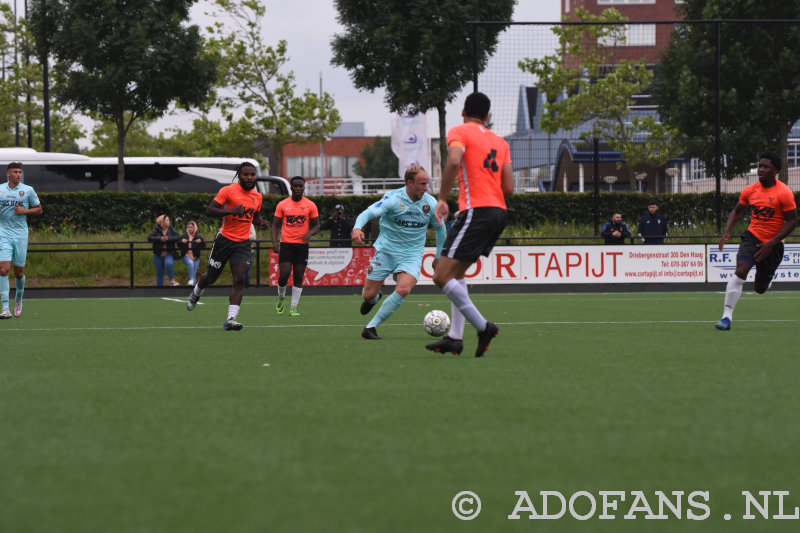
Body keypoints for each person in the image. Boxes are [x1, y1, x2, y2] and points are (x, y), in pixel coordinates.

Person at [426, 92, 514, 357]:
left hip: (477, 211)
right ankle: (455, 339)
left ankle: (483, 326)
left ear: (463, 110)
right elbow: (508, 187)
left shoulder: (459, 131)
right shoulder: (500, 142)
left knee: (441, 276)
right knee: (457, 274)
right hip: (498, 212)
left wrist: (442, 198)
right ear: (487, 117)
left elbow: (453, 160)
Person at [352, 164, 446, 339]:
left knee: (403, 289)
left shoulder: (431, 203)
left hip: (412, 254)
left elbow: (441, 229)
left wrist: (438, 256)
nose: (426, 188)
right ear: (409, 183)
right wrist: (357, 228)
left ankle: (370, 327)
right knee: (368, 295)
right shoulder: (393, 199)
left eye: (427, 183)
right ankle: (374, 298)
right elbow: (368, 213)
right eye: (422, 184)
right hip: (386, 252)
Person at [715, 150, 797, 331]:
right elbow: (737, 211)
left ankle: (766, 281)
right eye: (759, 166)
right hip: (752, 237)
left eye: (765, 167)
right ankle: (726, 317)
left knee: (760, 289)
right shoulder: (750, 190)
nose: (760, 169)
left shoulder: (784, 193)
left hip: (773, 245)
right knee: (741, 270)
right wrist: (727, 232)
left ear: (775, 170)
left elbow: (792, 221)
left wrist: (772, 242)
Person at [186, 162, 269, 330]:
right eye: (246, 174)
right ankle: (196, 293)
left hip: (243, 244)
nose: (249, 177)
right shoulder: (227, 191)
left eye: (252, 174)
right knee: (210, 278)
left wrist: (261, 223)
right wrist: (230, 211)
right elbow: (210, 210)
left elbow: (254, 216)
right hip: (224, 241)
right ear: (239, 175)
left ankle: (231, 318)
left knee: (239, 279)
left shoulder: (257, 196)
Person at [271, 176, 320, 316]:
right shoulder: (282, 204)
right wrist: (274, 241)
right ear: (291, 188)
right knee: (284, 274)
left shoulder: (310, 205)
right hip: (286, 244)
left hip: (302, 246)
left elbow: (317, 224)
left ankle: (293, 307)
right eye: (295, 186)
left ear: (304, 188)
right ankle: (281, 298)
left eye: (300, 186)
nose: (298, 188)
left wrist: (310, 233)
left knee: (298, 275)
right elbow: (275, 225)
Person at [0, 162, 42, 318]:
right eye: (15, 172)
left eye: (20, 172)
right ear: (8, 174)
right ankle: (5, 308)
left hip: (20, 234)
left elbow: (39, 209)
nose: (19, 174)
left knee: (19, 273)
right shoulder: (1, 190)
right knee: (3, 270)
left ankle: (18, 298)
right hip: (3, 233)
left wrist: (25, 210)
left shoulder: (28, 190)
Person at [148, 214, 181, 287]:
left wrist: (168, 238)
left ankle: (172, 280)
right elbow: (150, 237)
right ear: (162, 222)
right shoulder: (156, 229)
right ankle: (160, 290)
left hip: (168, 253)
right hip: (157, 255)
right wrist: (160, 238)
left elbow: (177, 237)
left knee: (169, 264)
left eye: (169, 220)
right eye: (167, 220)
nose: (169, 222)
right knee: (159, 273)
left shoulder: (172, 229)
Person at [178, 220, 205, 286]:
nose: (190, 228)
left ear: (194, 228)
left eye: (191, 227)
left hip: (196, 257)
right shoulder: (183, 236)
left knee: (193, 273)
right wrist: (181, 241)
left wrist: (200, 242)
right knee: (190, 264)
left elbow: (204, 246)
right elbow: (178, 244)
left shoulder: (199, 236)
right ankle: (191, 280)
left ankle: (193, 290)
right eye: (188, 227)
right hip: (186, 256)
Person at [244, 223, 257, 288]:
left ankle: (247, 287)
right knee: (238, 271)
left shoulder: (250, 224)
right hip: (237, 251)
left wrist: (241, 237)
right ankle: (240, 286)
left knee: (248, 272)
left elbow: (254, 237)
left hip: (249, 251)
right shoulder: (235, 223)